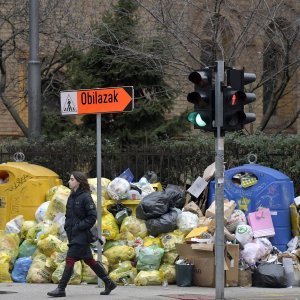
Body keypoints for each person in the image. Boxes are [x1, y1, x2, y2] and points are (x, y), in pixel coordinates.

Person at [47, 171, 116, 297]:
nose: (69, 181)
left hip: (82, 235)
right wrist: (68, 227)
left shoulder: (86, 197)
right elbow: (69, 216)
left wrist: (78, 228)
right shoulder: (72, 196)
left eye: (72, 179)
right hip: (73, 234)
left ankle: (61, 289)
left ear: (78, 181)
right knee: (89, 260)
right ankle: (109, 282)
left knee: (70, 259)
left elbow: (92, 217)